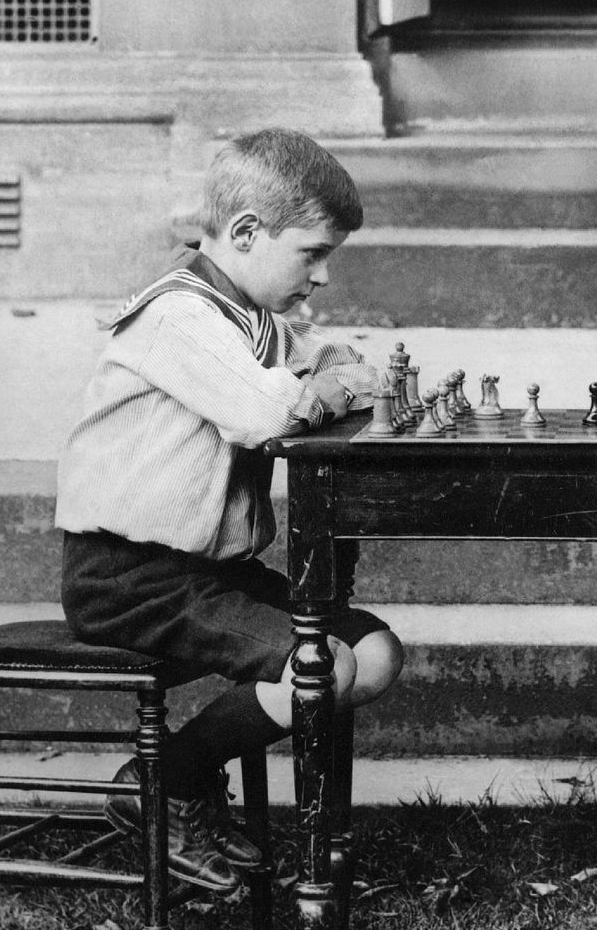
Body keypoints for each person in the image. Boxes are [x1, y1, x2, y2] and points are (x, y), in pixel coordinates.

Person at [56, 127, 404, 893]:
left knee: (372, 655)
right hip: (130, 578)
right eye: (311, 254)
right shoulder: (178, 317)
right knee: (325, 665)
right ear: (246, 233)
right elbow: (267, 412)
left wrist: (327, 377)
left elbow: (329, 364)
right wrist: (321, 385)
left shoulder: (248, 315)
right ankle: (166, 785)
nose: (322, 278)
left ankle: (174, 779)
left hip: (207, 573)